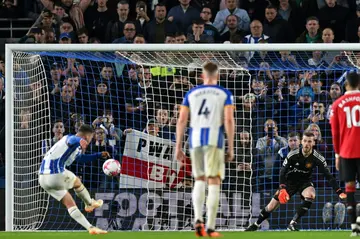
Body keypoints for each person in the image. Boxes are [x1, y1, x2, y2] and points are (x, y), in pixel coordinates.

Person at [175, 62, 235, 237]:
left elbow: (181, 121)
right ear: (217, 76)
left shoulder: (191, 93)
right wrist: (231, 147)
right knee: (214, 181)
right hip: (214, 141)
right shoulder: (224, 93)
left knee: (199, 179)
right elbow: (229, 121)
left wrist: (178, 147)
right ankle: (210, 227)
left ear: (202, 76)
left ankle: (197, 219)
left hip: (195, 142)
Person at [245, 131, 346, 231]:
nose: (307, 144)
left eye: (310, 142)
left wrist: (339, 191)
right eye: (305, 141)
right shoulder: (292, 155)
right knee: (271, 206)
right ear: (302, 142)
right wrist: (282, 188)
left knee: (311, 194)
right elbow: (282, 172)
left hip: (305, 182)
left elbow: (328, 176)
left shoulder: (318, 157)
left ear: (313, 143)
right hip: (289, 182)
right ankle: (256, 224)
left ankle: (292, 224)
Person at [38, 124, 109, 234]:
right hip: (55, 173)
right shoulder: (70, 138)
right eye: (91, 137)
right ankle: (90, 203)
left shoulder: (71, 147)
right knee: (77, 182)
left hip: (43, 179)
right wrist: (79, 141)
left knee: (70, 203)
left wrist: (98, 155)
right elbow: (72, 140)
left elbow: (80, 158)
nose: (91, 140)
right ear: (87, 136)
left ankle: (90, 228)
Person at [330, 72, 360, 236]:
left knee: (349, 188)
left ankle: (353, 226)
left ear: (346, 85)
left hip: (347, 152)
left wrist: (337, 155)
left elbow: (335, 133)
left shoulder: (338, 104)